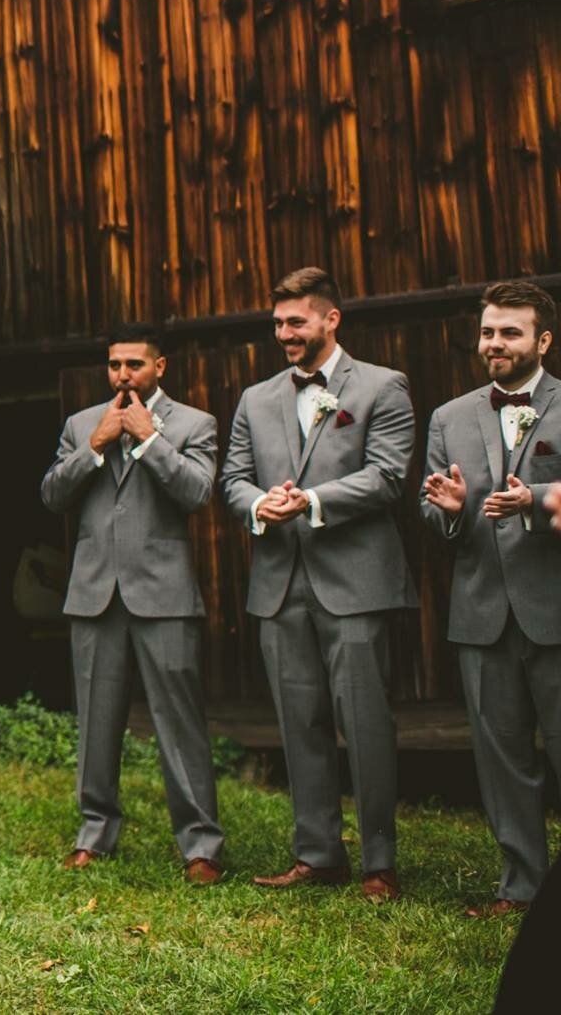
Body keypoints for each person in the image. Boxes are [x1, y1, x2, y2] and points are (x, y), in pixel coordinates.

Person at [220, 266, 415, 900]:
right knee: (298, 720)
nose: (284, 334)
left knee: (364, 723)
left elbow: (388, 476)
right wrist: (258, 506)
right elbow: (233, 479)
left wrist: (312, 499)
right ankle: (318, 853)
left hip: (354, 582)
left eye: (295, 321)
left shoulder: (383, 387)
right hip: (279, 584)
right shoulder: (257, 398)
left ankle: (379, 863)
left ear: (331, 319)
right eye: (277, 323)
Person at [39, 322, 223, 884]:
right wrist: (94, 447)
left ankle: (200, 845)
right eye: (115, 365)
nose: (123, 375)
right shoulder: (80, 425)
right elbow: (52, 495)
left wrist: (148, 439)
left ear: (159, 367)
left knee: (179, 721)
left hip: (163, 595)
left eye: (135, 365)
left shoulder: (195, 424)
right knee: (96, 721)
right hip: (94, 595)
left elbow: (196, 492)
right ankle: (94, 833)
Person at [420, 280, 561, 917]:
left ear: (543, 340)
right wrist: (448, 512)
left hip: (554, 611)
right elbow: (435, 520)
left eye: (510, 332)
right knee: (502, 761)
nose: (494, 343)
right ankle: (522, 887)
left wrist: (538, 502)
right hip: (480, 614)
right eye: (487, 332)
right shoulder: (449, 417)